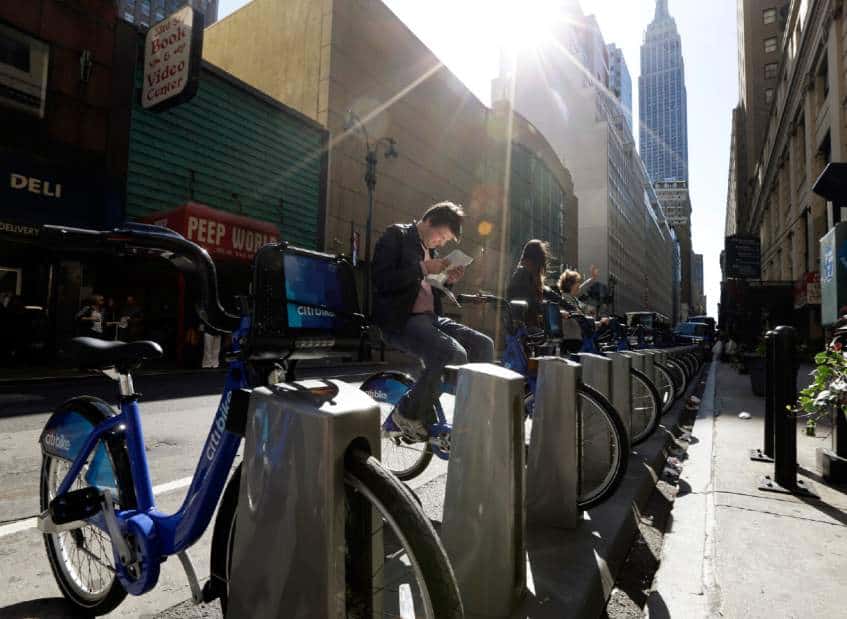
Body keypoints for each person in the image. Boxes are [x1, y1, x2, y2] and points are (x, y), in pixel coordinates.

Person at [371, 201, 495, 440]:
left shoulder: (432, 252)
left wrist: (448, 279)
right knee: (453, 354)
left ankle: (472, 417)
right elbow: (381, 280)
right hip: (401, 319)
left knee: (483, 345)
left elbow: (431, 290)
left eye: (445, 240)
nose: (440, 242)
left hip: (430, 318)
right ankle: (407, 413)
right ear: (428, 222)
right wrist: (422, 267)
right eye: (441, 236)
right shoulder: (396, 235)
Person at [507, 240, 549, 327]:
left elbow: (552, 296)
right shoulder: (523, 274)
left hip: (528, 325)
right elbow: (529, 302)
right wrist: (544, 310)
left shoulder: (528, 276)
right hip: (524, 328)